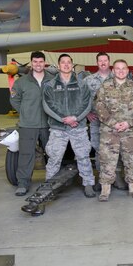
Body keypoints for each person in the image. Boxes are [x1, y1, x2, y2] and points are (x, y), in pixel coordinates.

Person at [42, 54, 96, 197]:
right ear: (59, 66)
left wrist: (75, 118)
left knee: (83, 156)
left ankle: (88, 183)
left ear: (72, 65)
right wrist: (63, 119)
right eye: (63, 63)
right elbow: (48, 106)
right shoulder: (50, 85)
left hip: (78, 127)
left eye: (68, 63)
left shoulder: (82, 84)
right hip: (58, 128)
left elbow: (87, 104)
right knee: (54, 158)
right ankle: (49, 187)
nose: (66, 65)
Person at [94, 59, 133, 201]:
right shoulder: (105, 87)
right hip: (109, 131)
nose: (121, 71)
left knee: (132, 159)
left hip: (130, 131)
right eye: (118, 68)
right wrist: (113, 123)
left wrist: (129, 123)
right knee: (107, 159)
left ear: (128, 70)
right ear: (113, 70)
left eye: (124, 68)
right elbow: (99, 107)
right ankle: (105, 189)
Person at [9, 51, 54, 196]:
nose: (38, 64)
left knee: (53, 153)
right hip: (28, 125)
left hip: (49, 124)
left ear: (44, 63)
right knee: (26, 154)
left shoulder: (52, 80)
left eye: (41, 62)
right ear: (31, 63)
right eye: (35, 62)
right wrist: (25, 112)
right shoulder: (21, 82)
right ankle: (23, 183)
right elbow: (14, 100)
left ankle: (53, 181)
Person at [82, 52, 112, 172]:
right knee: (99, 148)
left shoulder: (118, 77)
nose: (103, 63)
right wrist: (87, 113)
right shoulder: (88, 80)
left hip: (114, 121)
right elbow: (82, 99)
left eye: (105, 60)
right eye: (100, 60)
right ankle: (102, 178)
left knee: (115, 148)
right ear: (97, 62)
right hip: (96, 121)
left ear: (109, 62)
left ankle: (116, 177)